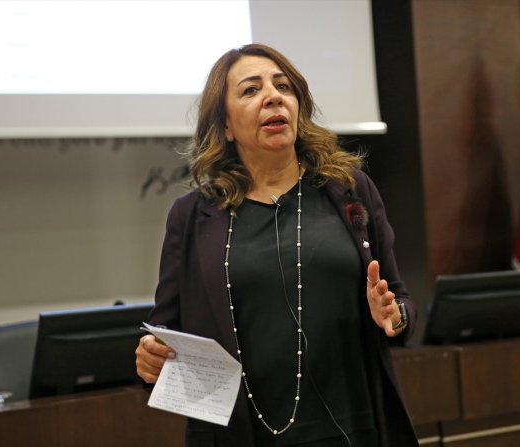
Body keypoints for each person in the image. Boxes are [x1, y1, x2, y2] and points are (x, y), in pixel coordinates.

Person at [135, 43, 419, 447]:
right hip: (242, 435)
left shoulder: (350, 190)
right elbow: (166, 331)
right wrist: (152, 356)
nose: (273, 96)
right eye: (251, 90)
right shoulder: (192, 216)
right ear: (226, 126)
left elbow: (400, 300)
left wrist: (395, 315)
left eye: (283, 86)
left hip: (355, 427)